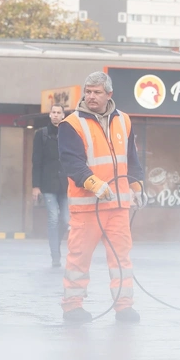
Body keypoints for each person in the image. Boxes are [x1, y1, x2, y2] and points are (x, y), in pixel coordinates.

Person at [58, 71, 146, 324]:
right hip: (87, 208)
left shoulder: (124, 121)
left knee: (121, 259)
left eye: (97, 92)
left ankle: (124, 306)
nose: (91, 96)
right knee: (79, 258)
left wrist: (137, 187)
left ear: (109, 95)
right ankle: (72, 306)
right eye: (88, 91)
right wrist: (94, 183)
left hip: (118, 206)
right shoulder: (72, 124)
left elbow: (132, 159)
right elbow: (71, 162)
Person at [32, 104, 70, 267]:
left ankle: (57, 245)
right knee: (53, 218)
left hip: (66, 184)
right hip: (47, 184)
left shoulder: (69, 133)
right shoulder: (41, 134)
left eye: (58, 113)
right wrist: (35, 186)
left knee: (66, 219)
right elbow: (36, 161)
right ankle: (55, 255)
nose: (55, 115)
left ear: (63, 115)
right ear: (50, 115)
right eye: (53, 112)